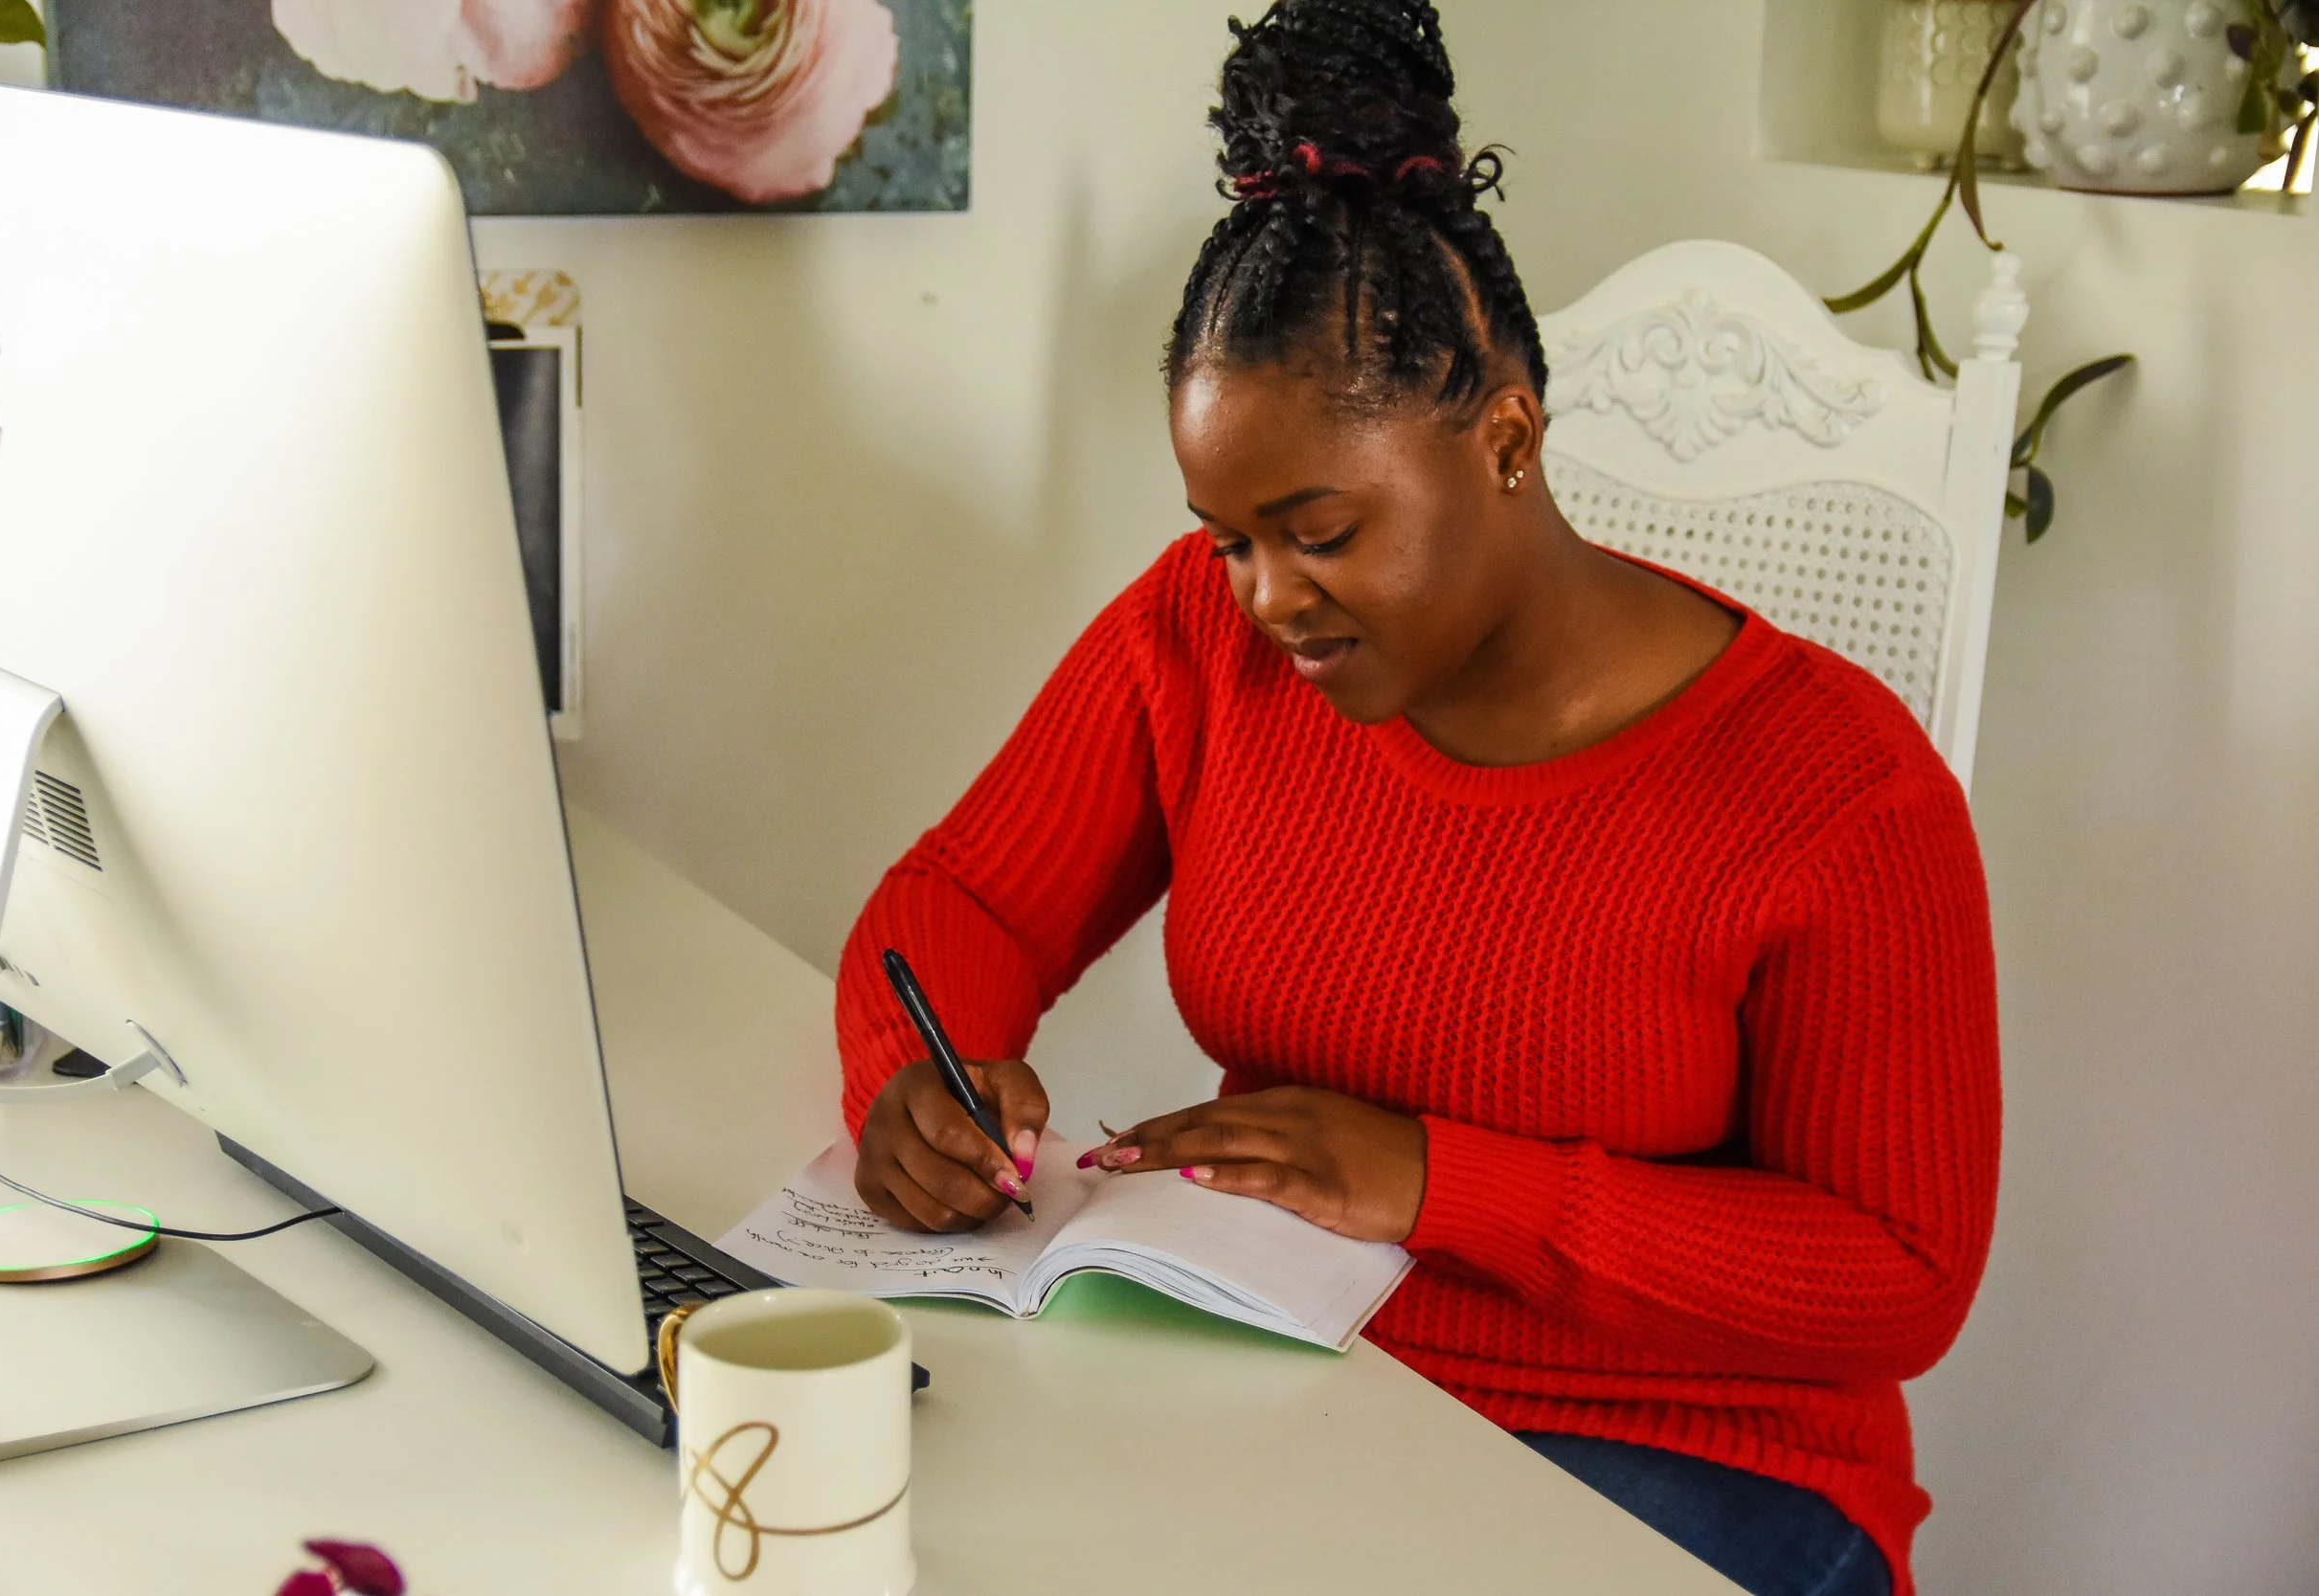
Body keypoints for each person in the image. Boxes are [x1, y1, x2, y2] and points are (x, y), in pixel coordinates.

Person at [832, 4, 1999, 1593]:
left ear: (1506, 436)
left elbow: (1898, 1278)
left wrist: (1442, 1177)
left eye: (1317, 529)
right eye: (1228, 531)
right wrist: (922, 1082)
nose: (1261, 595)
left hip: (1690, 1459)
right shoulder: (1199, 638)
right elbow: (959, 902)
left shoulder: (1841, 797)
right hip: (1294, 1369)